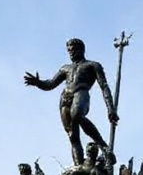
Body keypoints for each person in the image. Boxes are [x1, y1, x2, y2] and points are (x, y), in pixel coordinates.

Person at [24, 38, 119, 166]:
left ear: (81, 50)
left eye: (73, 50)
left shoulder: (92, 65)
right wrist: (38, 83)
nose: (71, 53)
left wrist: (110, 109)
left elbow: (104, 87)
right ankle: (78, 166)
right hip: (65, 98)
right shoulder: (65, 68)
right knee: (72, 135)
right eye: (69, 51)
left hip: (81, 92)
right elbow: (50, 84)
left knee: (77, 115)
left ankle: (103, 147)